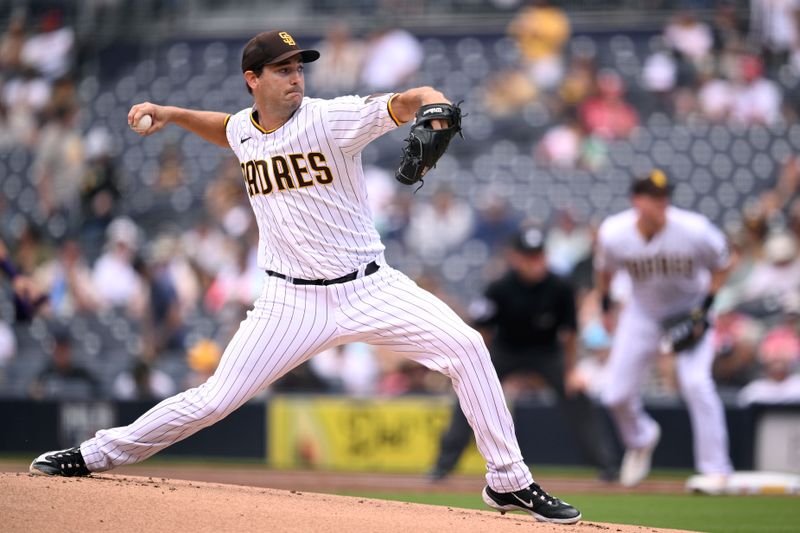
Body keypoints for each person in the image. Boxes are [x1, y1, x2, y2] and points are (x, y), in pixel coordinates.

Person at [28, 30, 580, 525]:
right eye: (284, 69)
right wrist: (170, 112)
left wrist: (434, 106)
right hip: (288, 303)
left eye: (300, 68)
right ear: (253, 79)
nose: (297, 78)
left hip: (369, 287)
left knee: (466, 347)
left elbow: (408, 100)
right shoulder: (246, 129)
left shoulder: (330, 117)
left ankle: (508, 481)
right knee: (215, 399)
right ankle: (94, 454)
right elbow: (226, 129)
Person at [429, 227, 617, 482]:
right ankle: (442, 466)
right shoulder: (499, 287)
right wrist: (474, 369)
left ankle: (607, 466)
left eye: (539, 255)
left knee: (577, 396)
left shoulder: (561, 287)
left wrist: (571, 371)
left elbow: (570, 333)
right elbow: (481, 330)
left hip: (547, 353)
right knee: (471, 393)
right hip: (506, 350)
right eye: (529, 256)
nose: (535, 262)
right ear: (516, 258)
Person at [595, 169, 734, 488]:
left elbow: (725, 262)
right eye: (654, 197)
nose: (662, 202)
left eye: (664, 196)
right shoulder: (614, 232)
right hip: (643, 313)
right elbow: (604, 271)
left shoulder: (693, 229)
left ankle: (716, 469)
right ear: (637, 201)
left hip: (690, 312)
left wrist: (707, 307)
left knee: (696, 383)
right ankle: (642, 437)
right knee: (615, 394)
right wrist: (605, 307)